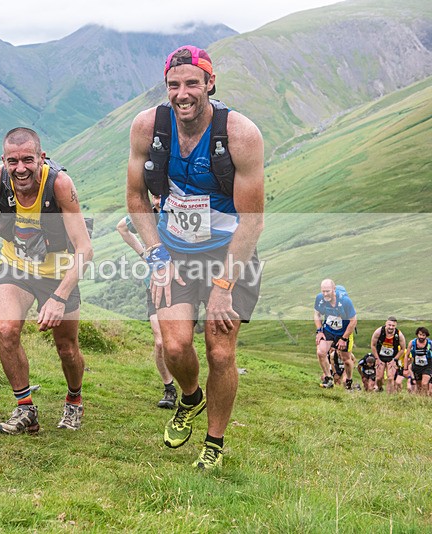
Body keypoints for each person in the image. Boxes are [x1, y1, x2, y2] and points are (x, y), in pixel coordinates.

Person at [126, 45, 265, 470]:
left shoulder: (240, 134)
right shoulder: (148, 127)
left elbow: (252, 221)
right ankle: (190, 397)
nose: (182, 93)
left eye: (192, 83)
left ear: (210, 83)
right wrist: (156, 257)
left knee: (220, 353)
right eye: (174, 85)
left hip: (228, 254)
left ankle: (214, 444)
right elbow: (136, 197)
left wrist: (224, 286)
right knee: (174, 345)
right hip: (175, 251)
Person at [0, 127, 93, 434]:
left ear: (41, 157)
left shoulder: (60, 185)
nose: (20, 168)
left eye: (28, 160)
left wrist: (59, 297)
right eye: (12, 161)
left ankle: (74, 399)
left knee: (66, 348)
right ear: (3, 160)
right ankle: (25, 408)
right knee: (6, 330)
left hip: (58, 273)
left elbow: (85, 249)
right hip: (16, 268)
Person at [116, 197, 179, 409]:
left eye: (161, 196)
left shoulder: (180, 209)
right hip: (155, 283)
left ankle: (191, 387)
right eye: (155, 196)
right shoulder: (148, 213)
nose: (158, 201)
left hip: (184, 283)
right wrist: (145, 255)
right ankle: (169, 388)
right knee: (160, 341)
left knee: (180, 341)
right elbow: (122, 227)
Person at [314, 280, 357, 389]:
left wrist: (344, 338)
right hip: (329, 329)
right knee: (321, 352)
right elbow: (316, 314)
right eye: (323, 291)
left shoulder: (345, 301)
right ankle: (328, 379)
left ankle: (349, 380)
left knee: (346, 359)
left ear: (334, 289)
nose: (325, 294)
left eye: (327, 291)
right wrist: (319, 331)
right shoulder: (320, 299)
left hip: (344, 331)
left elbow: (353, 321)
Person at [369, 317, 406, 393]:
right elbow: (373, 345)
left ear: (396, 326)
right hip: (380, 356)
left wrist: (395, 360)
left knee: (390, 378)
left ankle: (390, 395)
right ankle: (379, 388)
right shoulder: (379, 331)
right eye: (389, 325)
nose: (391, 327)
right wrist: (377, 359)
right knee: (379, 378)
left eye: (393, 326)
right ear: (386, 324)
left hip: (392, 357)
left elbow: (403, 349)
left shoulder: (399, 334)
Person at [407, 326, 432, 396]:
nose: (421, 337)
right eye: (420, 334)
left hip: (428, 366)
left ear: (426, 336)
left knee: (424, 383)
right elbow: (406, 355)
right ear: (417, 334)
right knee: (419, 386)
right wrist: (405, 368)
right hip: (417, 366)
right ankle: (420, 399)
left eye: (423, 335)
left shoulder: (430, 343)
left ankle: (425, 399)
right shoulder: (412, 343)